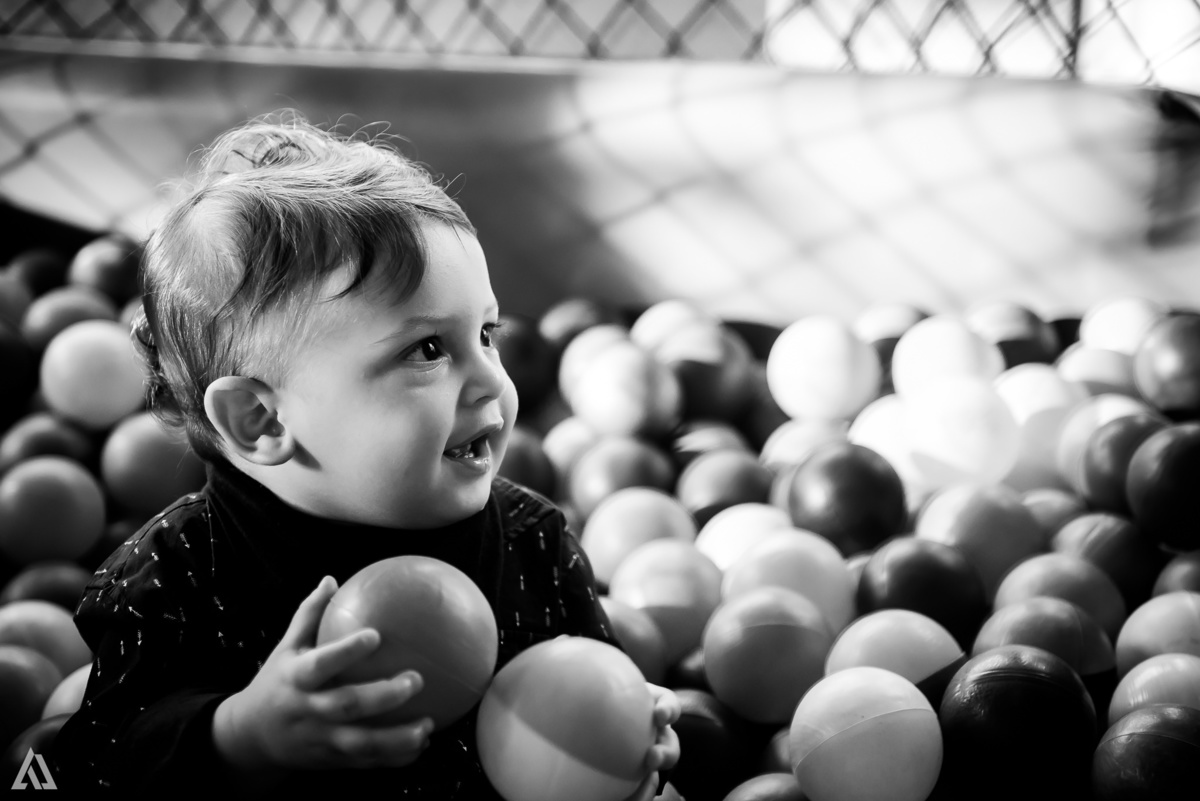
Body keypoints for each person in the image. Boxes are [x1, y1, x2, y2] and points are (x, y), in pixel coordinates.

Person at [51, 111, 682, 798]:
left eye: (488, 334)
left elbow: (603, 687)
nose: (492, 381)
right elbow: (94, 759)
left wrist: (632, 732)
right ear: (259, 419)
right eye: (429, 350)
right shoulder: (174, 579)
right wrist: (243, 734)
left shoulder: (535, 544)